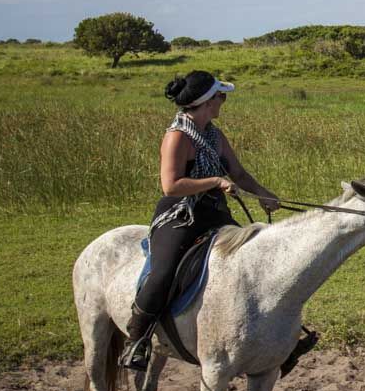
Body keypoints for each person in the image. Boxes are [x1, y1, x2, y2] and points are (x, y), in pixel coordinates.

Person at [120, 70, 280, 370]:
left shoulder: (215, 135)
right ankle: (137, 339)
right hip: (180, 215)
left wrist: (263, 193)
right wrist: (215, 182)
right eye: (221, 96)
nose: (224, 101)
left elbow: (240, 174)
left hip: (213, 213)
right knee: (163, 272)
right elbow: (171, 185)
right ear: (208, 102)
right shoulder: (177, 137)